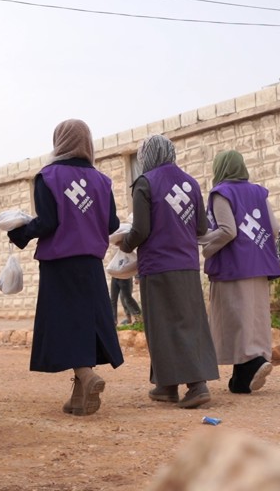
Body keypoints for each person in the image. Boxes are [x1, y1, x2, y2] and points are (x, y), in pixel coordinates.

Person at [7, 119, 124, 416]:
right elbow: (112, 224)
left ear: (58, 141)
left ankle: (86, 375)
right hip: (91, 264)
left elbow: (47, 222)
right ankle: (78, 397)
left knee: (64, 324)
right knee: (85, 323)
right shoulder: (102, 181)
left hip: (59, 264)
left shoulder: (47, 176)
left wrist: (20, 233)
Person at [119, 134, 219, 409]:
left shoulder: (145, 183)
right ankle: (166, 386)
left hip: (158, 266)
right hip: (187, 265)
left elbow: (141, 229)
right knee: (189, 323)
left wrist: (124, 244)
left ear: (147, 156)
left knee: (162, 326)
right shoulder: (190, 183)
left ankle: (197, 385)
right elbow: (201, 228)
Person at [200, 150, 280, 394]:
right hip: (259, 264)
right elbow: (274, 228)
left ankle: (253, 363)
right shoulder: (258, 192)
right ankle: (242, 378)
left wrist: (204, 245)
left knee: (234, 321)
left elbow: (228, 230)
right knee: (254, 319)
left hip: (232, 266)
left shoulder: (221, 192)